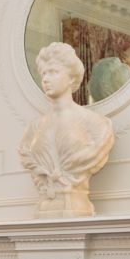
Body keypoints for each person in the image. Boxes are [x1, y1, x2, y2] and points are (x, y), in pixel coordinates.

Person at [19, 42, 115, 218]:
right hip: (45, 206)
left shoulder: (96, 124)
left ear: (71, 78)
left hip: (76, 204)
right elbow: (26, 154)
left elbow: (94, 152)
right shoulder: (33, 129)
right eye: (44, 73)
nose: (46, 79)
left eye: (53, 72)